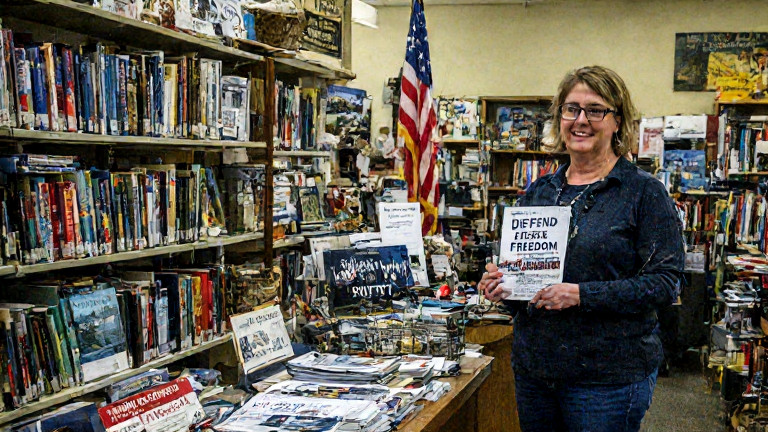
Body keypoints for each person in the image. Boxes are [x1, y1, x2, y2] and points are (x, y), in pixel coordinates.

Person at [480, 65, 684, 432]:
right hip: (536, 371)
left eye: (595, 110)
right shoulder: (539, 191)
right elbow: (527, 289)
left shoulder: (644, 193)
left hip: (607, 379)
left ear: (618, 121)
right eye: (571, 109)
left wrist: (580, 295)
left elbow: (665, 283)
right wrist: (502, 286)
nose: (581, 120)